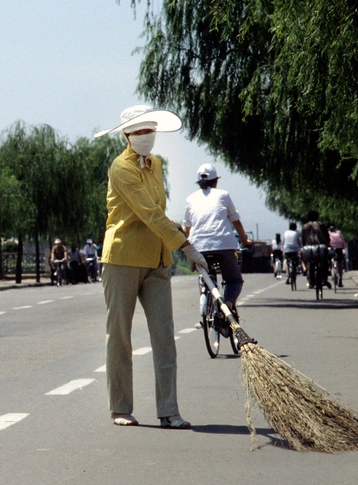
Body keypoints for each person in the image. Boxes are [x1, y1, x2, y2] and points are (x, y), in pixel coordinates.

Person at [95, 104, 207, 429]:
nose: (146, 136)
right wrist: (186, 245)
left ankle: (169, 410)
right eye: (139, 131)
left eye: (150, 130)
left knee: (164, 336)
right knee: (119, 335)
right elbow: (147, 213)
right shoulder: (120, 168)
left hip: (158, 258)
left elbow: (159, 210)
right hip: (123, 257)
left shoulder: (155, 163)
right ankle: (120, 408)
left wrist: (176, 238)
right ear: (127, 135)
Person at [182, 163, 252, 320]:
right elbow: (236, 221)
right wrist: (244, 240)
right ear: (216, 181)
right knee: (234, 280)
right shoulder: (223, 195)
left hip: (198, 248)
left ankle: (207, 294)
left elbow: (188, 228)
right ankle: (227, 305)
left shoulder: (190, 198)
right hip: (224, 246)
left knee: (206, 275)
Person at [301, 211, 331, 289]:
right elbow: (327, 237)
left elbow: (303, 240)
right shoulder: (321, 225)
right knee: (324, 262)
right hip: (321, 247)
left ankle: (311, 282)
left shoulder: (305, 226)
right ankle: (324, 278)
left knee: (310, 263)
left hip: (309, 248)